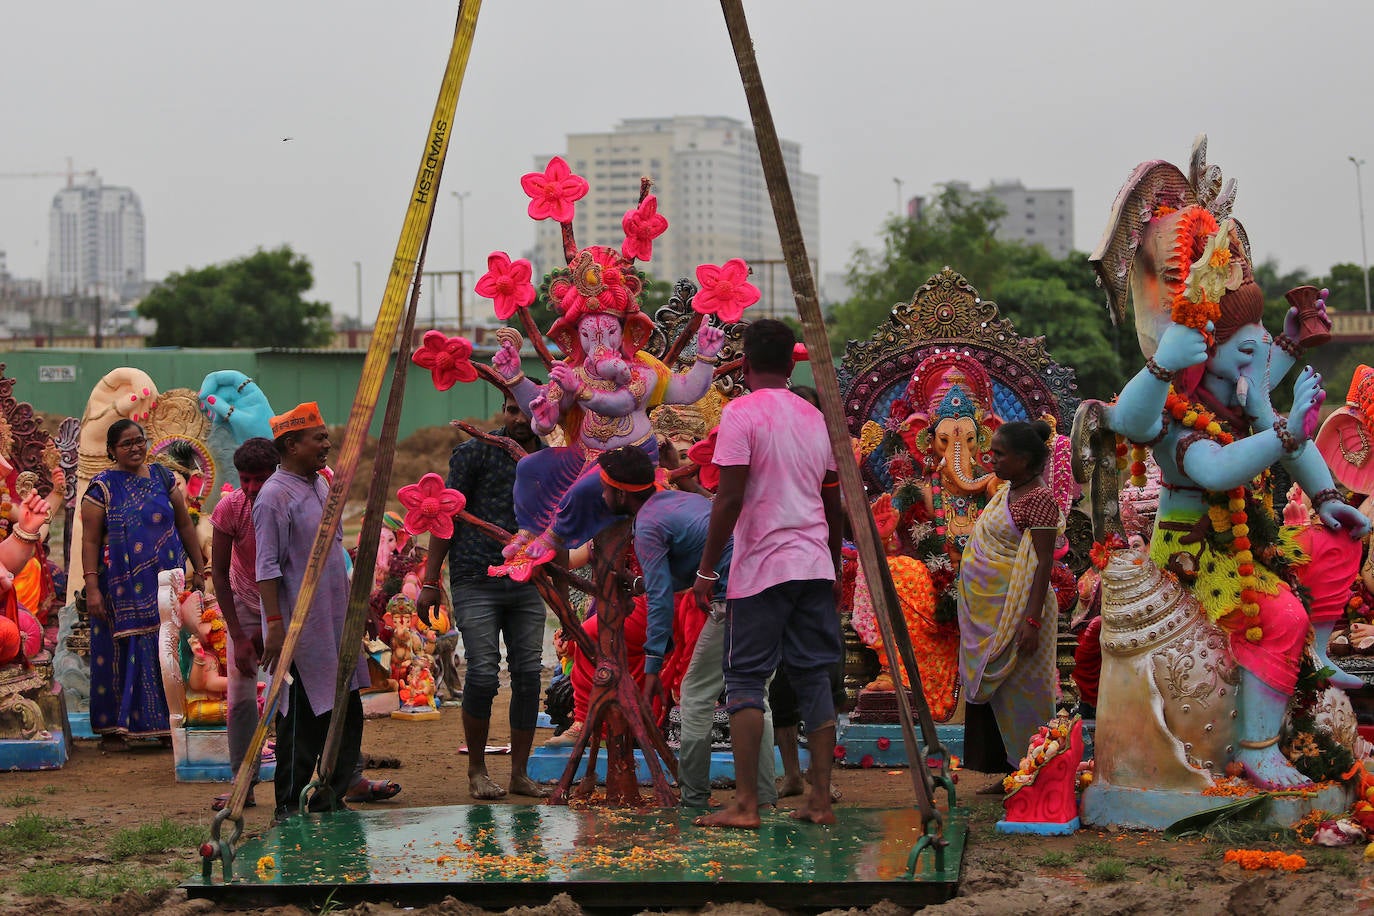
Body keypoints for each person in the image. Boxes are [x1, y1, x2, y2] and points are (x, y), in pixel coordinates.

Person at [692, 319, 844, 828]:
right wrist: (834, 563)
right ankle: (820, 801)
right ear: (793, 362)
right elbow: (832, 497)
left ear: (745, 363)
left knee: (744, 680)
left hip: (761, 568)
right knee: (814, 675)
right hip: (814, 564)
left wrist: (707, 568)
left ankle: (747, 805)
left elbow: (729, 497)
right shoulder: (816, 418)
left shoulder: (741, 414)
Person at [598, 445, 779, 809]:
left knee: (696, 694)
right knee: (756, 696)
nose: (602, 496)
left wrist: (652, 667)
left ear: (620, 493)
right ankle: (763, 796)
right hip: (771, 589)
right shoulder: (675, 502)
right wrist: (638, 583)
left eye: (605, 489)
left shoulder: (647, 525)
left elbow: (662, 602)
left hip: (736, 599)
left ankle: (694, 796)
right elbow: (680, 571)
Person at [417, 389, 550, 800]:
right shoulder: (474, 453)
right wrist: (429, 579)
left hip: (529, 579)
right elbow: (444, 514)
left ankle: (519, 774)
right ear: (503, 411)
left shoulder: (552, 460)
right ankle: (477, 771)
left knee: (528, 675)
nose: (520, 419)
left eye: (529, 411)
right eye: (513, 410)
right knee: (483, 672)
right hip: (475, 576)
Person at [255, 402, 367, 822]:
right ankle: (287, 805)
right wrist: (275, 625)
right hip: (302, 627)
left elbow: (336, 549)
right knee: (302, 719)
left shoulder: (322, 484)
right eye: (318, 438)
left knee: (347, 712)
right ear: (291, 444)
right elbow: (266, 567)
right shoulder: (273, 497)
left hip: (336, 618)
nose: (327, 444)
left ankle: (330, 797)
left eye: (325, 436)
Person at [82, 419, 208, 751]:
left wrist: (199, 568)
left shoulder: (164, 478)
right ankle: (115, 729)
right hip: (120, 587)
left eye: (139, 441)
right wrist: (92, 587)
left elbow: (184, 524)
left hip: (165, 582)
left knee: (166, 646)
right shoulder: (102, 488)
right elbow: (91, 541)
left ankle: (168, 725)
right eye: (126, 443)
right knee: (118, 650)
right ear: (112, 450)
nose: (135, 447)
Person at [955, 421, 1063, 777]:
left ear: (1025, 459)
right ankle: (1005, 772)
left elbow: (1043, 561)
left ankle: (1034, 770)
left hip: (1024, 613)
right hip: (991, 615)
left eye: (1000, 454)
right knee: (996, 693)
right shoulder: (1007, 492)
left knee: (1026, 692)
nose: (992, 459)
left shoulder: (1040, 499)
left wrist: (1031, 621)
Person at [208, 437, 277, 810]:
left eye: (260, 479)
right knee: (240, 697)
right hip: (244, 604)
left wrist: (275, 625)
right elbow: (218, 575)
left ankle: (320, 776)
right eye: (245, 479)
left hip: (284, 604)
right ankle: (242, 783)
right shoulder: (231, 507)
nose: (252, 488)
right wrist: (240, 634)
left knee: (299, 691)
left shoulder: (286, 503)